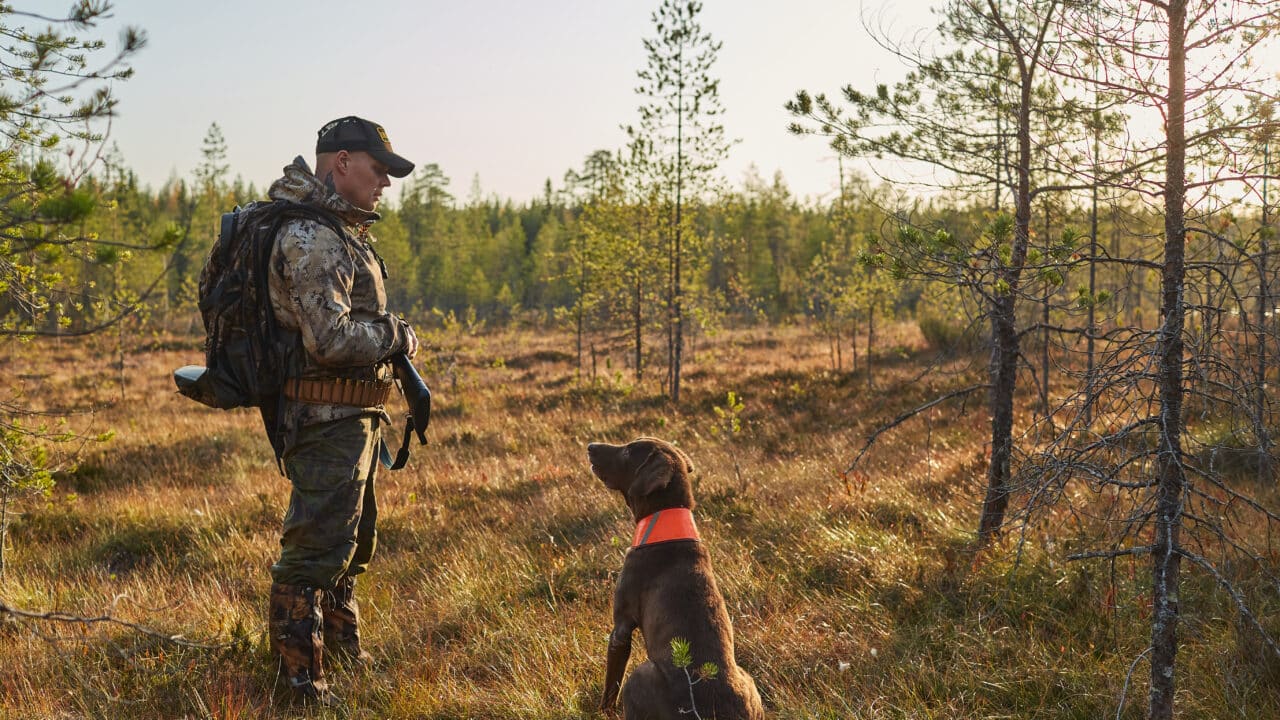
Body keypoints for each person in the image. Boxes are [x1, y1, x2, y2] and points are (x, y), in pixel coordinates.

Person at [263, 115, 418, 704]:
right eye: (378, 169)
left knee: (350, 545)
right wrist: (396, 337)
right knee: (314, 552)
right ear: (341, 163)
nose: (385, 183)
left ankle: (343, 655)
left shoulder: (340, 232)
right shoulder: (313, 237)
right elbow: (328, 340)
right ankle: (298, 683)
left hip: (352, 418)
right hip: (325, 419)